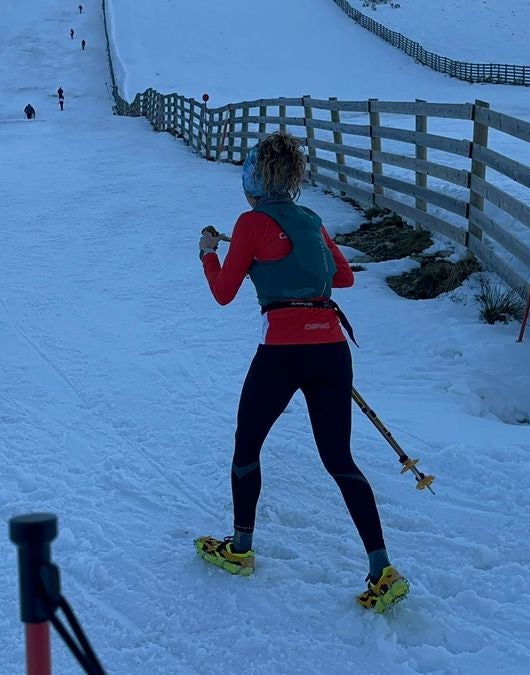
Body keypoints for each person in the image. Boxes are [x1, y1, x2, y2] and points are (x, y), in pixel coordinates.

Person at [193, 131, 409, 613]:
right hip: (331, 347)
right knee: (339, 459)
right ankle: (382, 568)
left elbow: (223, 292)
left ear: (254, 177)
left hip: (283, 352)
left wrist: (211, 252)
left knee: (247, 446)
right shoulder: (311, 219)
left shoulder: (250, 223)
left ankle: (242, 549)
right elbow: (345, 278)